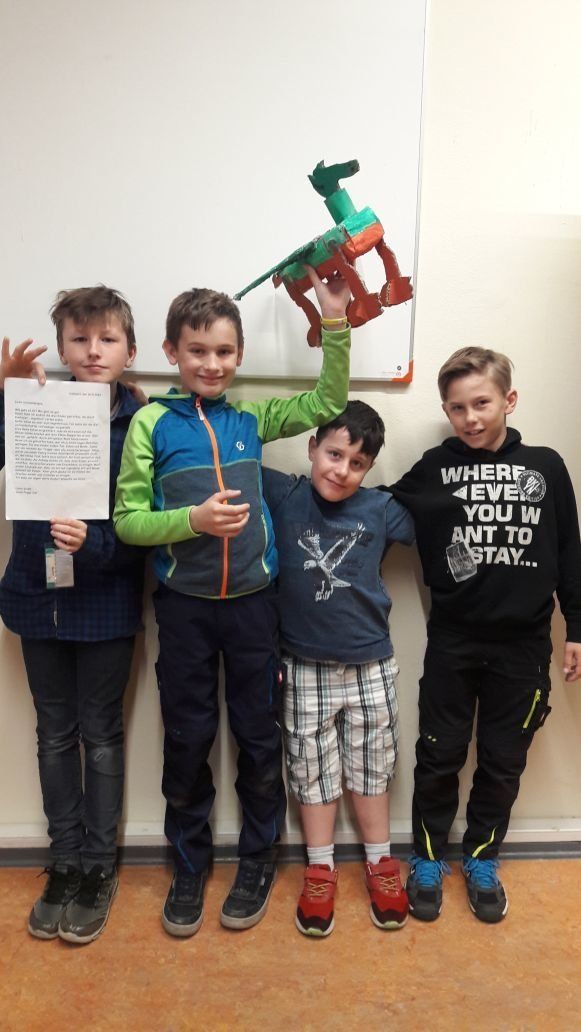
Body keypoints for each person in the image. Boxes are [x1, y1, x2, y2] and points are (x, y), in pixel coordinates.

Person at [113, 268, 351, 936]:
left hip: (253, 606)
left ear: (239, 354)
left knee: (258, 736)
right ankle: (189, 866)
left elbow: (327, 399)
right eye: (197, 351)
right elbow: (128, 522)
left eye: (223, 351)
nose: (211, 364)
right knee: (187, 739)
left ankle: (256, 861)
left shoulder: (251, 418)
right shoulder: (151, 423)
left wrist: (334, 322)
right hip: (184, 609)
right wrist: (192, 521)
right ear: (172, 353)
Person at [389, 346, 581, 923]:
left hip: (524, 646)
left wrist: (577, 626)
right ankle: (427, 857)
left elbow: (569, 550)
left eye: (481, 404)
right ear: (445, 410)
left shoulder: (546, 466)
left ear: (508, 400)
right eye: (457, 408)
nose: (470, 418)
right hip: (454, 640)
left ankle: (480, 857)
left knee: (502, 760)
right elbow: (379, 508)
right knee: (439, 752)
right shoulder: (434, 467)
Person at [0, 286, 146, 944]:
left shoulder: (141, 424)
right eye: (80, 339)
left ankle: (97, 866)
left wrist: (96, 543)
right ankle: (62, 862)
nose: (93, 351)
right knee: (54, 734)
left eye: (107, 339)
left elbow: (147, 527)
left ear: (129, 351)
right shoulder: (35, 404)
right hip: (37, 597)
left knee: (102, 734)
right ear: (62, 347)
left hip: (105, 602)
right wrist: (3, 393)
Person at [262, 400, 414, 936]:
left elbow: (439, 515)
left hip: (371, 662)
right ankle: (320, 868)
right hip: (303, 664)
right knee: (310, 767)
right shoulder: (284, 494)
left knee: (373, 763)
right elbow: (223, 453)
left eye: (357, 463)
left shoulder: (381, 508)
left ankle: (379, 860)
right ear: (312, 448)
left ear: (368, 468)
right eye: (333, 454)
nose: (342, 470)